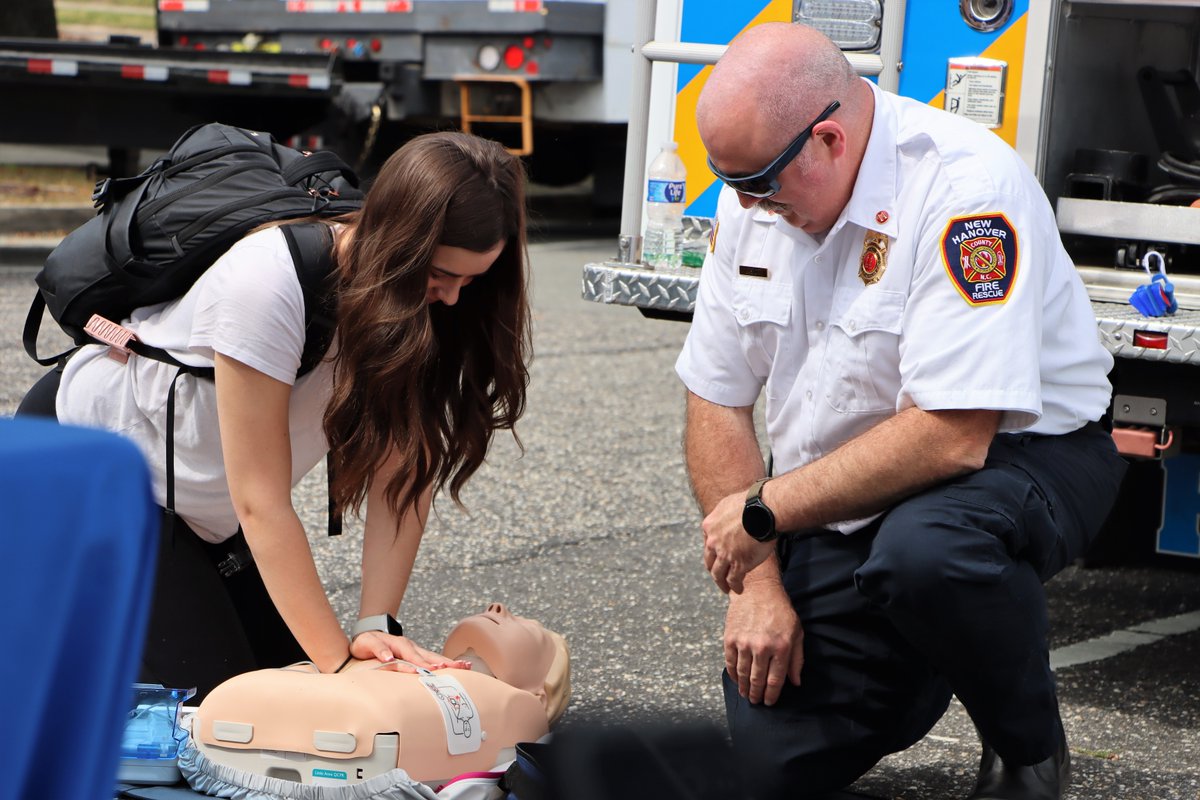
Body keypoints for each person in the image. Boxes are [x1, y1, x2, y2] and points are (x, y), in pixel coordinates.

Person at [676, 22, 1128, 800]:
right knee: (768, 769)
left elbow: (953, 437)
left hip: (1020, 458)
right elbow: (715, 394)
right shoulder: (758, 196)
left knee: (928, 557)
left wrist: (762, 513)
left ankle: (1027, 747)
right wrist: (760, 589)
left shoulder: (966, 191)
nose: (745, 203)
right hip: (846, 486)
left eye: (760, 184)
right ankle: (922, 653)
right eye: (732, 182)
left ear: (828, 137)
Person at [20, 132, 531, 702]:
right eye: (441, 274)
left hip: (203, 513)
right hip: (92, 470)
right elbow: (261, 500)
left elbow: (400, 471)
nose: (455, 297)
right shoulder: (268, 284)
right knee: (225, 716)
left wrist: (374, 629)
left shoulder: (418, 302)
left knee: (294, 698)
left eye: (473, 280)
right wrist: (340, 667)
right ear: (397, 240)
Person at [186, 603, 569, 788]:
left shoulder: (516, 707)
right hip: (270, 721)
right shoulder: (411, 667)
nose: (497, 607)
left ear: (538, 696)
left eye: (525, 624)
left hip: (332, 737)